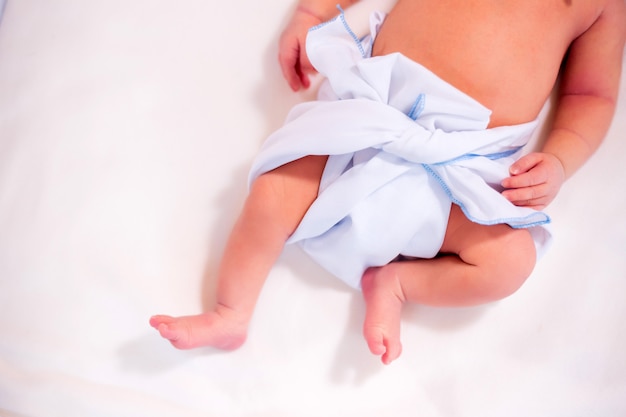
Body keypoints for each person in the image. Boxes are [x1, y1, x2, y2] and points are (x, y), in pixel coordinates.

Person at [150, 0, 626, 364]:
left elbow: (592, 94)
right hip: (372, 114)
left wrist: (561, 161)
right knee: (273, 194)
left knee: (511, 262)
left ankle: (398, 283)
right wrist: (313, 11)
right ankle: (230, 315)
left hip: (461, 165)